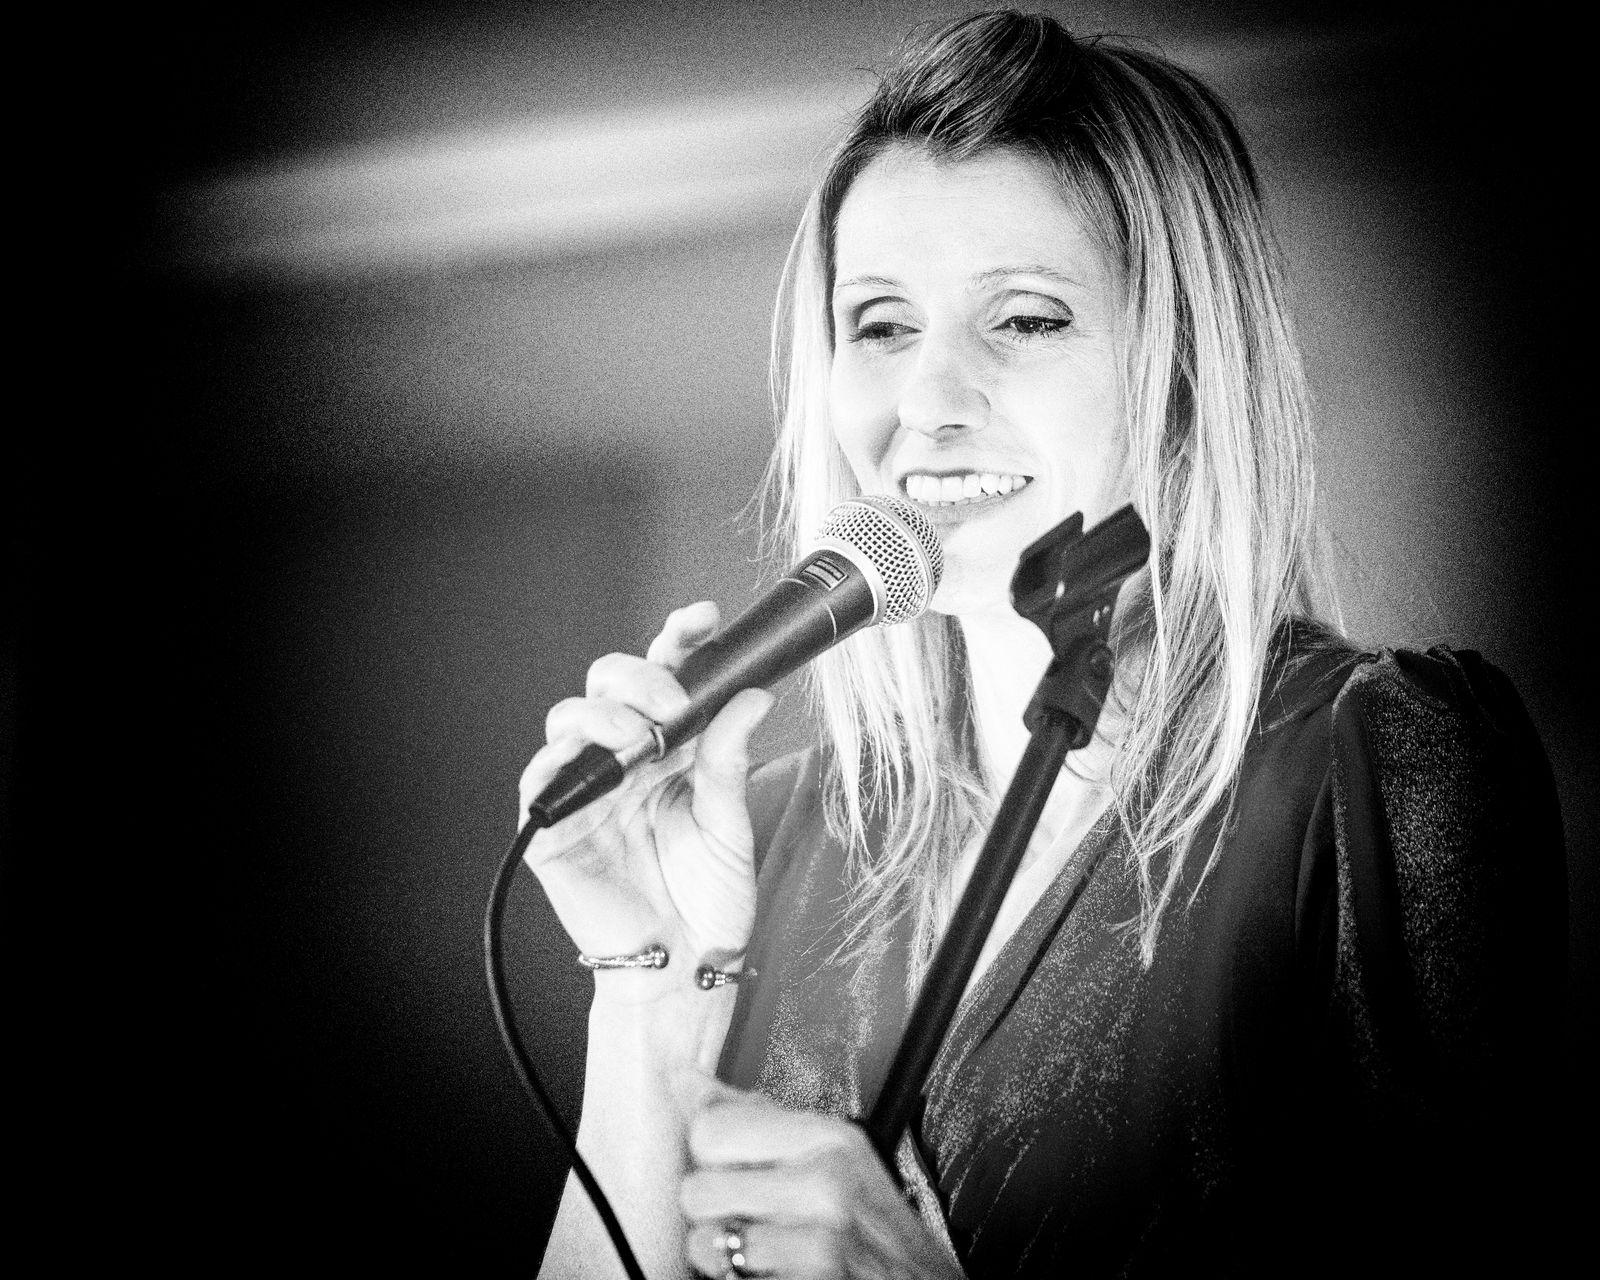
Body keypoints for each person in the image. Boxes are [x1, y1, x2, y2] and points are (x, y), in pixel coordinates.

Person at [519, 12, 1565, 1278]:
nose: (928, 401)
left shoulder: (1370, 761)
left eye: (1023, 319)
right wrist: (647, 988)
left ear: (1183, 373)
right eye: (881, 325)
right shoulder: (771, 832)